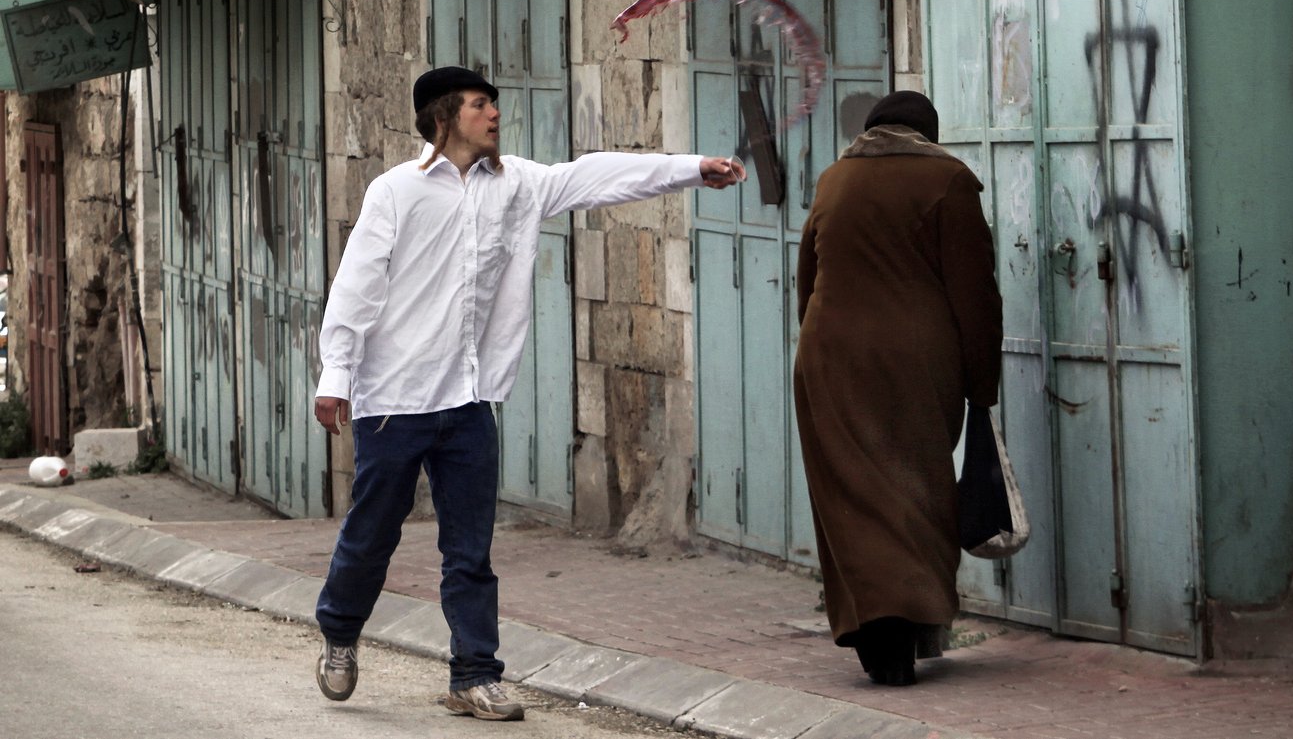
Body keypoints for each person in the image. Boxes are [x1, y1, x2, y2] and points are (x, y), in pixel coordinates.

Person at [311, 65, 745, 720]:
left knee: (471, 548)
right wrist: (336, 376)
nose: (493, 114)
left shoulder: (517, 184)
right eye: (480, 104)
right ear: (442, 116)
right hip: (392, 400)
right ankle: (341, 633)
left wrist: (690, 168)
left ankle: (474, 673)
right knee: (371, 534)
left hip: (466, 400)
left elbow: (596, 175)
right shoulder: (395, 192)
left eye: (493, 105)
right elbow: (356, 288)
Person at [792, 90, 1002, 686]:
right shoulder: (949, 179)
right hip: (913, 364)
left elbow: (807, 281)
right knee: (919, 491)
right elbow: (975, 296)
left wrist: (816, 353)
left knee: (852, 496)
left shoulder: (834, 179)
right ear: (926, 132)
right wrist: (982, 385)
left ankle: (876, 632)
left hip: (828, 359)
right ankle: (902, 628)